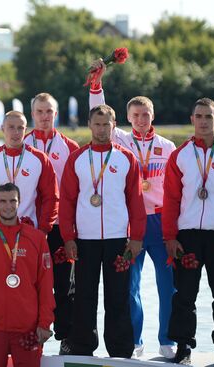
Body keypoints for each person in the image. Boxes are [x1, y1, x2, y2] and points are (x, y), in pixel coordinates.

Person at [89, 60, 177, 359]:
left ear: (153, 116)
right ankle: (135, 342)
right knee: (129, 287)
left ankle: (169, 341)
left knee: (169, 287)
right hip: (132, 225)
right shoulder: (121, 140)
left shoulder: (168, 147)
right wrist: (97, 85)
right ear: (126, 118)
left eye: (146, 114)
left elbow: (179, 190)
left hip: (162, 222)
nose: (141, 119)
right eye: (135, 115)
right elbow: (99, 113)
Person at [162, 98, 214, 366]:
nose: (203, 121)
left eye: (208, 116)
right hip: (187, 236)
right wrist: (170, 237)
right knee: (184, 294)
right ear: (192, 120)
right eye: (199, 116)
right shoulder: (180, 156)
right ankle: (184, 347)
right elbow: (171, 198)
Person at [59, 104, 146, 358]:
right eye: (97, 124)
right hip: (85, 239)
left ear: (114, 125)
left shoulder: (125, 157)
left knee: (118, 297)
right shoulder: (77, 158)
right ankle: (83, 348)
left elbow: (136, 201)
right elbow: (66, 202)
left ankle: (120, 352)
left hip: (118, 239)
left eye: (106, 124)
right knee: (85, 297)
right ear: (89, 125)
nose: (101, 129)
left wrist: (137, 238)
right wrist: (68, 237)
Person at [0, 183, 55, 367]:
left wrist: (44, 324)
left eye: (12, 201)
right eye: (3, 201)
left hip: (27, 330)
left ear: (19, 202)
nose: (8, 206)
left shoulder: (36, 239)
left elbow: (45, 285)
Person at [23, 93, 79, 345]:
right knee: (28, 285)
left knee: (64, 284)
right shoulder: (20, 144)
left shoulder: (71, 148)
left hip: (58, 227)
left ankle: (66, 336)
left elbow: (76, 192)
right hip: (28, 227)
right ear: (32, 114)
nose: (44, 117)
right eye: (40, 112)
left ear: (56, 114)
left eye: (49, 112)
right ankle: (29, 336)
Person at [0, 111, 59, 234]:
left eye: (20, 128)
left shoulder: (40, 159)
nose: (16, 132)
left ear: (26, 129)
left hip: (30, 230)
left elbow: (51, 197)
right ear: (2, 128)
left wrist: (44, 229)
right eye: (11, 127)